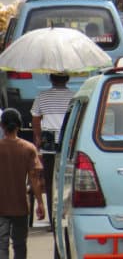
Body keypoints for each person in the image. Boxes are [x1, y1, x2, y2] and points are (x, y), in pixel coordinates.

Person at [0, 108, 45, 259]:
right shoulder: (28, 148)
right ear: (19, 125)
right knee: (19, 245)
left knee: (1, 244)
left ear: (2, 126)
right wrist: (40, 203)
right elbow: (34, 178)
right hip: (20, 206)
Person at [31, 73, 74, 228]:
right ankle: (64, 214)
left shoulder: (42, 96)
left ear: (50, 79)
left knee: (49, 182)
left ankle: (53, 219)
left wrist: (38, 137)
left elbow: (35, 118)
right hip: (66, 140)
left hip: (48, 141)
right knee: (67, 180)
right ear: (67, 79)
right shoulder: (73, 96)